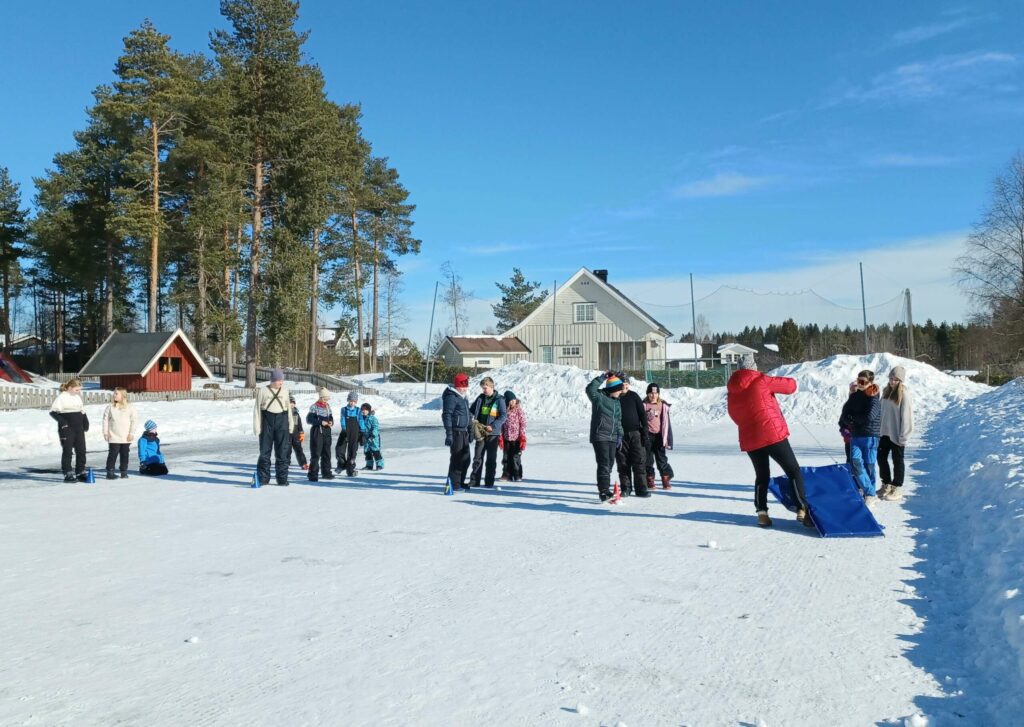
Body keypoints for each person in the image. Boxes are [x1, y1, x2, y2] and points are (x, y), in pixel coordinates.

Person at [727, 354, 813, 528]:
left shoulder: (732, 390)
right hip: (772, 433)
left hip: (750, 438)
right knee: (793, 470)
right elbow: (791, 386)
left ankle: (762, 513)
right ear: (753, 367)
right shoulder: (761, 380)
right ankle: (802, 508)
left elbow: (734, 415)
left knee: (762, 475)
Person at [839, 369, 882, 505]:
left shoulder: (874, 396)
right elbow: (845, 413)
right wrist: (850, 421)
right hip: (856, 435)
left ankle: (870, 493)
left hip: (870, 435)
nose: (860, 384)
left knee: (869, 465)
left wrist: (855, 419)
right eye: (858, 381)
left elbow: (870, 416)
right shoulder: (855, 396)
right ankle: (869, 491)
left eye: (863, 382)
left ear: (870, 382)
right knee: (856, 463)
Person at [586, 371, 625, 502]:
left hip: (613, 437)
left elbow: (619, 420)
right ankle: (603, 491)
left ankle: (605, 488)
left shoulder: (617, 402)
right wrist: (602, 377)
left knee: (610, 463)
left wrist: (620, 435)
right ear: (612, 390)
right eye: (618, 390)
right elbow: (589, 389)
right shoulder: (599, 398)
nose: (620, 392)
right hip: (600, 436)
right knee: (603, 464)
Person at [253, 368, 295, 487]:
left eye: (282, 380)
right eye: (279, 380)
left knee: (282, 452)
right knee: (265, 452)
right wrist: (257, 427)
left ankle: (282, 479)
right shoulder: (263, 391)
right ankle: (263, 478)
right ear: (273, 380)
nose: (281, 383)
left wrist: (291, 425)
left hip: (282, 422)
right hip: (267, 422)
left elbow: (289, 410)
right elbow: (256, 410)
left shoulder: (285, 391)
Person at [878, 365, 913, 503]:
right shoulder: (886, 392)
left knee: (897, 460)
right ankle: (886, 484)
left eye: (896, 379)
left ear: (901, 381)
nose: (892, 382)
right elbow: (881, 411)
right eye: (891, 378)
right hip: (884, 433)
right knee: (881, 458)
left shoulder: (904, 394)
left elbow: (907, 417)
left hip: (897, 434)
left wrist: (904, 436)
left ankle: (897, 486)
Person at [469, 376, 508, 488]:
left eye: (485, 388)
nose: (484, 390)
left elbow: (503, 416)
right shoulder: (480, 398)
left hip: (492, 434)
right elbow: (471, 410)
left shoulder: (499, 400)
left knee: (491, 459)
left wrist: (493, 426)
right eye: (483, 388)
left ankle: (489, 482)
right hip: (480, 432)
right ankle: (474, 481)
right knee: (477, 457)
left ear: (491, 387)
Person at [615, 375, 651, 497]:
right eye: (622, 383)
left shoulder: (634, 396)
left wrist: (645, 432)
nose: (625, 386)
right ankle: (626, 488)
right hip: (620, 435)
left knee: (639, 461)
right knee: (623, 463)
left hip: (636, 433)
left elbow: (643, 415)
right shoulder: (614, 397)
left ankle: (641, 489)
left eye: (626, 384)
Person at [50, 378, 89, 482]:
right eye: (77, 390)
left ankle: (80, 471)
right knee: (68, 450)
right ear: (70, 388)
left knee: (81, 450)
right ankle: (67, 472)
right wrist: (63, 422)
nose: (78, 392)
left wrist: (85, 421)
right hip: (67, 428)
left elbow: (82, 411)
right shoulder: (61, 398)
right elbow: (53, 412)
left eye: (79, 390)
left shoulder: (77, 397)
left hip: (78, 427)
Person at [442, 372, 473, 490]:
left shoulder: (463, 397)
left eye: (466, 386)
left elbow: (468, 415)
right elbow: (447, 415)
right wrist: (449, 434)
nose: (465, 388)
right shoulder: (451, 397)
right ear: (457, 386)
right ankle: (453, 485)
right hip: (456, 432)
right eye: (463, 386)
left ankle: (460, 482)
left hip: (464, 432)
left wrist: (470, 430)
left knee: (466, 459)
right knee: (456, 459)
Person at [102, 387, 138, 479]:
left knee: (125, 454)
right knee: (112, 454)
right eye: (114, 393)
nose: (114, 395)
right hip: (113, 435)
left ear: (123, 395)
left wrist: (131, 433)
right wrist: (106, 433)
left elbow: (134, 421)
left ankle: (123, 471)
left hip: (126, 436)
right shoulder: (110, 407)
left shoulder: (130, 408)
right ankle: (110, 472)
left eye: (116, 393)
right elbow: (105, 420)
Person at [643, 383, 674, 490]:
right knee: (648, 459)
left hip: (659, 436)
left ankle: (665, 478)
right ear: (647, 394)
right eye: (651, 393)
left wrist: (667, 437)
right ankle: (650, 479)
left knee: (661, 459)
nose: (653, 395)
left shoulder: (662, 405)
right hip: (647, 436)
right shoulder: (644, 404)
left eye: (655, 393)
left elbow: (665, 422)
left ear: (658, 394)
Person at [306, 388, 335, 482]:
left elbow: (331, 417)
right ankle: (313, 474)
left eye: (327, 399)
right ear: (320, 397)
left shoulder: (328, 406)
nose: (326, 401)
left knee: (327, 453)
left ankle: (326, 472)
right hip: (317, 431)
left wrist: (331, 422)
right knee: (316, 453)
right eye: (324, 399)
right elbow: (309, 420)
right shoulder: (314, 407)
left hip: (327, 431)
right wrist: (320, 422)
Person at [336, 392, 365, 476]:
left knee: (352, 450)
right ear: (348, 400)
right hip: (345, 431)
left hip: (354, 431)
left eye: (354, 401)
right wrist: (344, 428)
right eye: (350, 401)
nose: (352, 403)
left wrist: (362, 431)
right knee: (339, 448)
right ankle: (341, 464)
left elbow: (361, 420)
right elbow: (342, 419)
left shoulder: (358, 410)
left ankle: (350, 469)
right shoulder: (344, 409)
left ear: (356, 402)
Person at [499, 390, 526, 482]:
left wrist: (522, 436)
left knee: (515, 457)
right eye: (510, 401)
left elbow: (523, 423)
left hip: (516, 438)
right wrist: (500, 436)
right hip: (506, 438)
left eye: (514, 400)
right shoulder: (504, 411)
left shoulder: (518, 410)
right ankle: (507, 474)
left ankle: (517, 474)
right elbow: (501, 424)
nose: (512, 402)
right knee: (506, 457)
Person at [361, 403, 383, 471]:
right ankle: (369, 465)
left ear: (369, 410)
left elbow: (376, 427)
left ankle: (379, 465)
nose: (364, 411)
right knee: (367, 452)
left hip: (374, 438)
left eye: (366, 410)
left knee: (375, 451)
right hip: (366, 437)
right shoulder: (361, 418)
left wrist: (373, 435)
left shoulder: (373, 418)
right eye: (363, 410)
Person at [289, 394, 308, 471]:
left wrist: (301, 432)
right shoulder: (284, 413)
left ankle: (303, 464)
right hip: (287, 435)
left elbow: (299, 424)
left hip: (296, 435)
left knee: (299, 450)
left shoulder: (296, 413)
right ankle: (286, 463)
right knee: (287, 451)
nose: (292, 404)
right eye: (290, 403)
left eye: (293, 403)